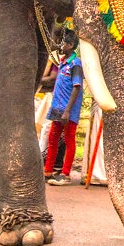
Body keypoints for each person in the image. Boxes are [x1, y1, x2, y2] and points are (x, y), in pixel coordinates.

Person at [43, 29, 83, 186]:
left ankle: (66, 174)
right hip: (57, 106)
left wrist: (67, 111)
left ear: (71, 45)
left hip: (68, 109)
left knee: (69, 140)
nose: (62, 45)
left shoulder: (76, 63)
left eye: (64, 43)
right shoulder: (61, 62)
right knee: (52, 138)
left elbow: (77, 87)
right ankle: (48, 170)